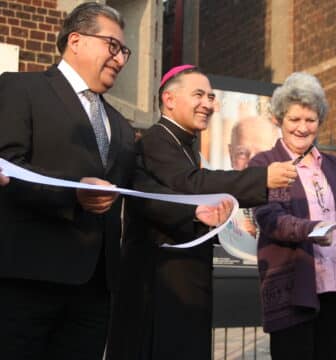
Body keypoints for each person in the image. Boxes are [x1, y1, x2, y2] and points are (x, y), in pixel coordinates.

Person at [106, 65, 298, 360]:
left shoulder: (187, 147)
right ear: (169, 99)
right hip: (159, 286)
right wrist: (260, 178)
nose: (208, 103)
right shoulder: (157, 140)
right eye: (199, 95)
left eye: (211, 96)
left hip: (184, 283)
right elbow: (191, 184)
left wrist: (203, 213)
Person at [0, 3, 137, 359]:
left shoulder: (120, 125)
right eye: (113, 46)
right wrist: (73, 192)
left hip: (95, 292)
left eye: (125, 51)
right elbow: (8, 167)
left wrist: (205, 203)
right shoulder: (21, 89)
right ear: (76, 40)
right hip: (28, 281)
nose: (120, 60)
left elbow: (136, 188)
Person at [249, 72, 336, 360]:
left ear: (320, 121)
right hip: (292, 292)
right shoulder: (264, 163)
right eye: (294, 119)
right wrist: (313, 229)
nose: (302, 127)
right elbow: (270, 217)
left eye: (310, 120)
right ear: (279, 120)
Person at [229, 115, 279, 237]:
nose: (251, 162)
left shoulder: (290, 201)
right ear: (230, 154)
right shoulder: (215, 201)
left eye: (261, 154)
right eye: (242, 153)